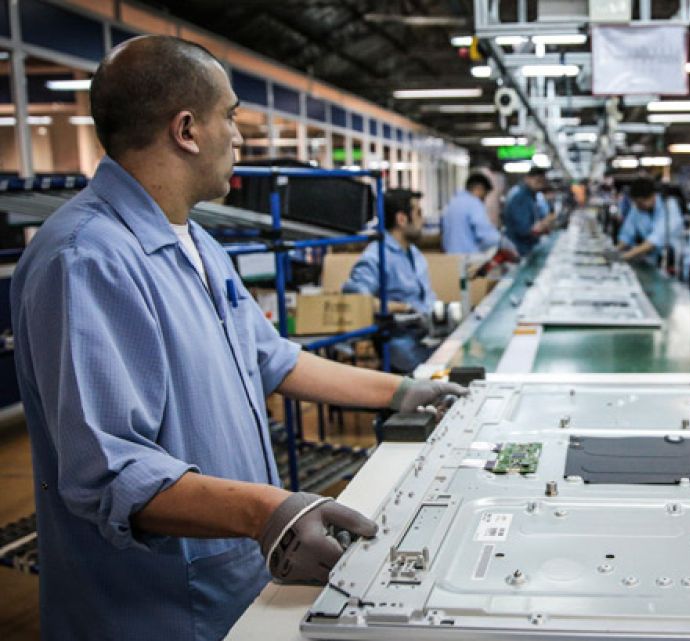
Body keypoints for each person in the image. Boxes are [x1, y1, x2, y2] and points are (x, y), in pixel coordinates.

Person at [10, 36, 464, 641]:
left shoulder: (197, 244)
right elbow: (110, 471)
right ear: (187, 130)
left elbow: (274, 360)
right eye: (230, 116)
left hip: (233, 584)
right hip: (154, 609)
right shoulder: (87, 260)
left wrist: (407, 392)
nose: (241, 137)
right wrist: (266, 512)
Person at [342, 189, 438, 373]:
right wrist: (403, 307)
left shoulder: (414, 253)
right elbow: (358, 302)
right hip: (401, 343)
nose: (422, 220)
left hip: (425, 335)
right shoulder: (376, 256)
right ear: (402, 219)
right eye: (418, 213)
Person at [440, 172, 516, 255]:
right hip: (468, 260)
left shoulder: (452, 203)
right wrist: (504, 242)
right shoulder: (473, 203)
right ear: (479, 189)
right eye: (485, 194)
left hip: (449, 258)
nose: (484, 199)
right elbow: (487, 236)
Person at [615, 177, 684, 265]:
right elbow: (627, 234)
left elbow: (655, 240)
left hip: (672, 261)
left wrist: (625, 256)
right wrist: (615, 251)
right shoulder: (638, 208)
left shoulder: (669, 206)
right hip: (651, 260)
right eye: (635, 203)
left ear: (652, 196)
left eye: (640, 203)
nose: (637, 206)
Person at [502, 167, 555, 256]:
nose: (541, 183)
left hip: (526, 248)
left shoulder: (532, 196)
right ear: (527, 179)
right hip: (519, 249)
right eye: (537, 180)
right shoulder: (521, 197)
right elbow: (524, 230)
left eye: (543, 180)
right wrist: (543, 224)